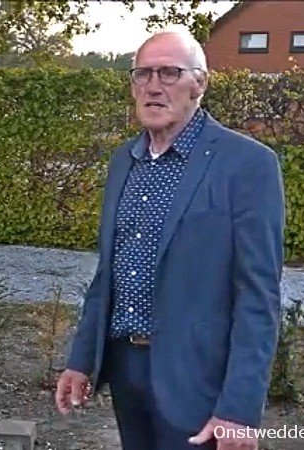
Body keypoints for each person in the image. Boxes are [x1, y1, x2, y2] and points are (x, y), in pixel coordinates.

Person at [55, 30, 285, 450]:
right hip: (126, 372)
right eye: (143, 74)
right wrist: (81, 360)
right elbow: (109, 272)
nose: (154, 86)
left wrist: (239, 409)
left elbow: (258, 296)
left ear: (199, 83)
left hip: (199, 382)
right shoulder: (124, 160)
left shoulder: (247, 164)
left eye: (169, 73)